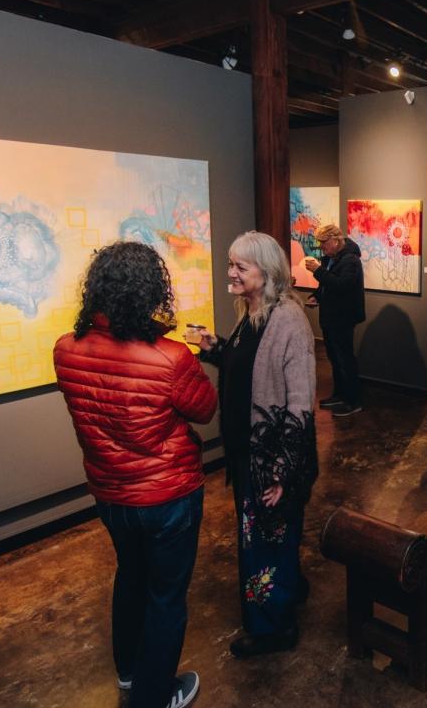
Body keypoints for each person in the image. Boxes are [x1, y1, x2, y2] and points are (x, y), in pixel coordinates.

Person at [54, 241, 217, 708]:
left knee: (130, 578)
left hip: (110, 495)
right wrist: (185, 355)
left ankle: (128, 675)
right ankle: (154, 697)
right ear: (150, 291)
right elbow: (204, 410)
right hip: (168, 495)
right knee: (166, 596)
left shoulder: (66, 350)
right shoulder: (170, 357)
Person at [197, 231, 318, 658]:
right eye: (230, 263)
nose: (230, 272)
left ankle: (274, 629)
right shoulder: (251, 312)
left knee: (264, 542)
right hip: (248, 453)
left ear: (266, 273)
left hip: (272, 458)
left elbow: (300, 405)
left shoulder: (287, 321)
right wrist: (216, 350)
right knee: (269, 538)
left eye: (239, 266)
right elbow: (243, 364)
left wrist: (282, 472)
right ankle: (288, 591)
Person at [303, 223, 365, 417]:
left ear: (336, 240)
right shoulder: (332, 258)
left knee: (345, 359)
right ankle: (339, 395)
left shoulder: (351, 260)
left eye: (324, 243)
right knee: (334, 358)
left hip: (343, 318)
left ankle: (352, 401)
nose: (322, 247)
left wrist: (317, 270)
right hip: (331, 317)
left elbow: (342, 286)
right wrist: (317, 296)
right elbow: (327, 285)